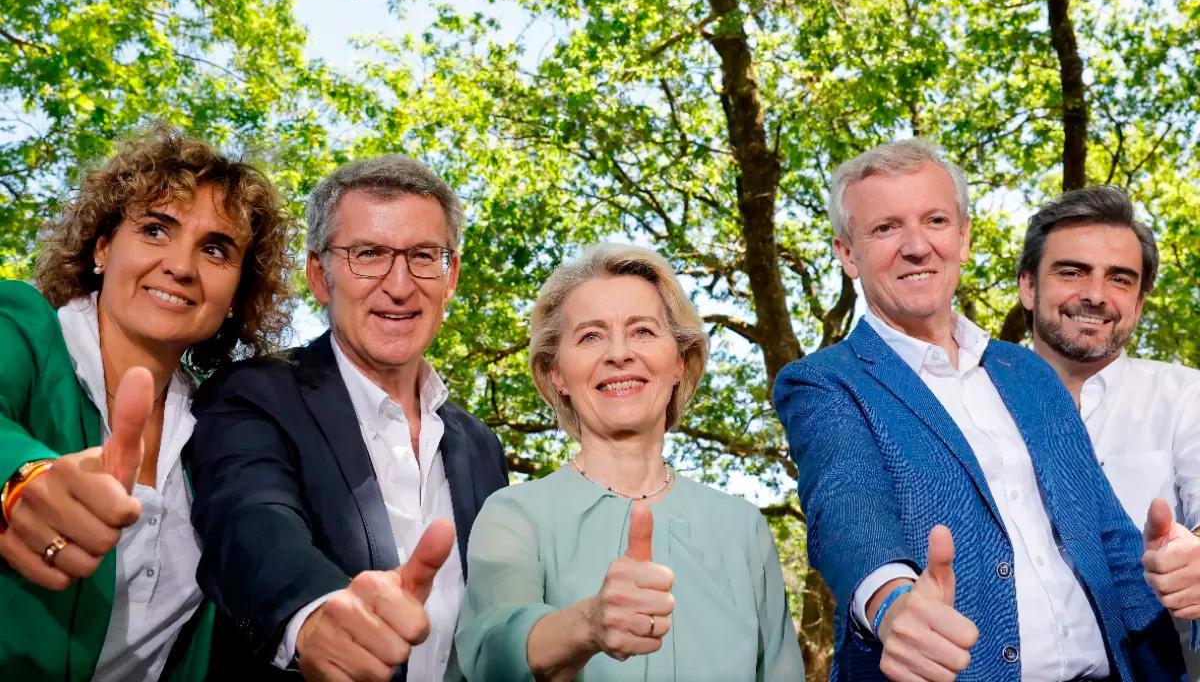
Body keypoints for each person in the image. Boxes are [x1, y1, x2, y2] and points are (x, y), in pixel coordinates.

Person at [773, 138, 1184, 680]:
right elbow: (846, 503)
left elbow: (1107, 537)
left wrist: (1171, 576)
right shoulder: (825, 382)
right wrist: (892, 601)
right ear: (848, 253)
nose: (917, 246)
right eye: (886, 228)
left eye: (936, 220)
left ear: (963, 237)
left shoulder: (1030, 373)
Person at [188, 154, 509, 681]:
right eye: (368, 254)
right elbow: (250, 523)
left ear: (449, 275)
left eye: (423, 256)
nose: (399, 285)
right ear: (320, 275)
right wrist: (311, 614)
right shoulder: (252, 395)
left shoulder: (480, 446)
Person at [0, 126, 293, 681]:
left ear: (236, 295)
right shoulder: (23, 326)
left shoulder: (220, 431)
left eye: (215, 249)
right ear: (103, 248)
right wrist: (21, 479)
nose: (181, 266)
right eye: (156, 230)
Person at [455, 243, 805, 681]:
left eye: (642, 331)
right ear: (556, 373)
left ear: (679, 361)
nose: (619, 353)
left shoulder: (743, 528)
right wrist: (588, 625)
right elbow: (492, 653)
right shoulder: (514, 516)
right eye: (590, 336)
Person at [1018, 185, 1200, 675]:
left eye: (1120, 279)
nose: (1095, 295)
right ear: (1028, 287)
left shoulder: (1185, 397)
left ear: (1139, 303)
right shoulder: (971, 405)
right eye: (1072, 271)